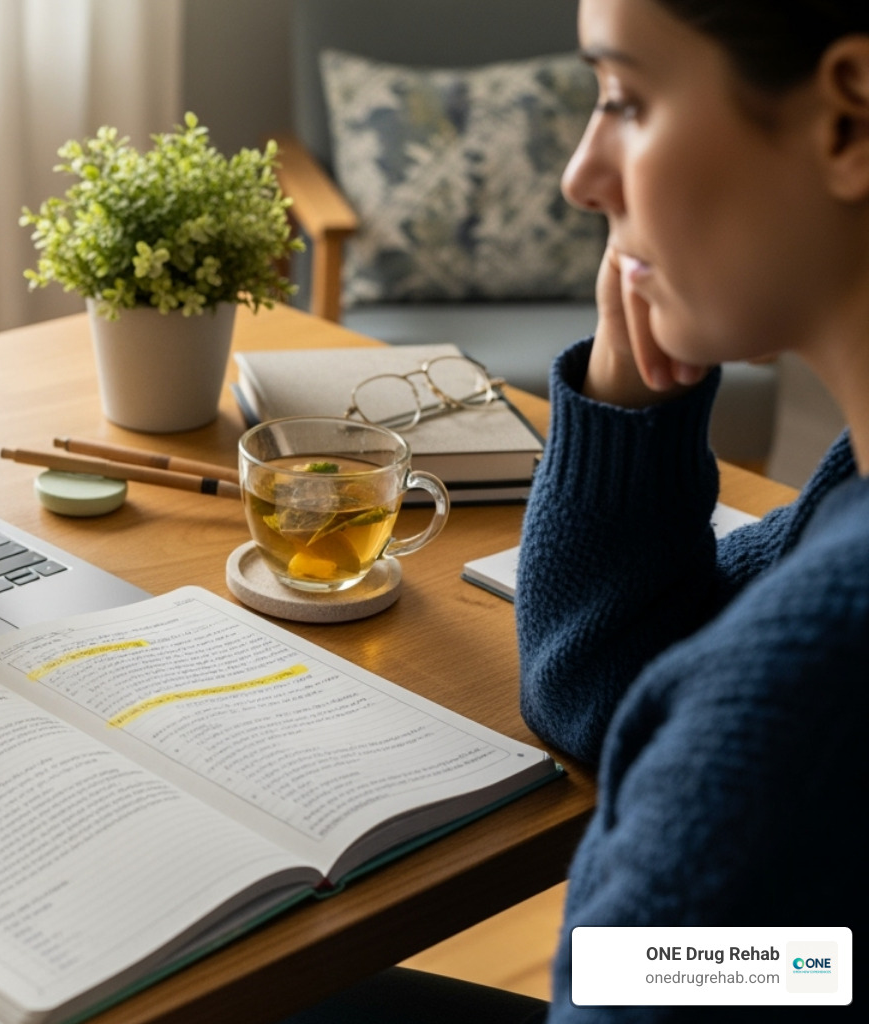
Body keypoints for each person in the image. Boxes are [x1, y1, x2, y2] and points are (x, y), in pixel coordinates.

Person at [289, 0, 867, 1020]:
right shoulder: (847, 503)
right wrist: (625, 381)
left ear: (848, 122)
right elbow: (606, 680)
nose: (580, 175)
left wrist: (628, 945)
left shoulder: (815, 675)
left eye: (625, 98)